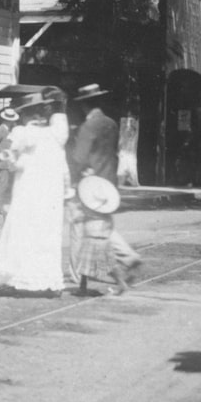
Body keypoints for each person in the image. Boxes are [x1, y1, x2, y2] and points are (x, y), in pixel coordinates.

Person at [0, 89, 70, 296]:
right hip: (49, 196)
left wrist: (16, 163)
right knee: (46, 237)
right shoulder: (54, 134)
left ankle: (21, 278)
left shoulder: (22, 133)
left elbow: (7, 154)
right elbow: (64, 169)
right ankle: (46, 281)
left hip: (27, 194)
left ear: (26, 114)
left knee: (22, 234)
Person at [67, 83, 142, 284]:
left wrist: (71, 179)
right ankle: (128, 256)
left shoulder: (88, 126)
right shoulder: (111, 123)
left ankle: (77, 274)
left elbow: (79, 158)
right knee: (102, 226)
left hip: (87, 185)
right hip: (107, 182)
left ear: (84, 106)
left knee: (77, 226)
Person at [70, 174, 129, 296]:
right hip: (102, 240)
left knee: (87, 265)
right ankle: (119, 282)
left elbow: (81, 218)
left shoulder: (91, 211)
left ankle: (84, 287)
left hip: (93, 240)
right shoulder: (105, 214)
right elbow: (109, 227)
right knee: (107, 265)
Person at [0, 108, 19, 215]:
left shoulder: (8, 129)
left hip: (7, 162)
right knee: (2, 184)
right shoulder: (1, 129)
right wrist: (2, 152)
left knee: (6, 184)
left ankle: (1, 206)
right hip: (2, 162)